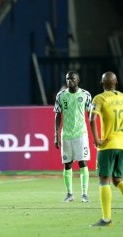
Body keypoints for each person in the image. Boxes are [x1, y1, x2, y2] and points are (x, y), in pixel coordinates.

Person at [89, 71, 123, 227]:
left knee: (103, 180)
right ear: (116, 83)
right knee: (117, 180)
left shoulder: (99, 98)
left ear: (102, 84)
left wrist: (97, 140)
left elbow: (92, 119)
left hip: (107, 145)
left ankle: (106, 219)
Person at [54, 71, 92, 203]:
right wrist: (56, 134)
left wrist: (94, 133)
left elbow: (90, 115)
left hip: (81, 134)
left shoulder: (85, 95)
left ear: (78, 80)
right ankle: (69, 194)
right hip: (66, 135)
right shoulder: (61, 95)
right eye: (67, 79)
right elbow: (58, 115)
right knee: (67, 164)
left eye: (72, 78)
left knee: (82, 162)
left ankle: (84, 194)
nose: (69, 81)